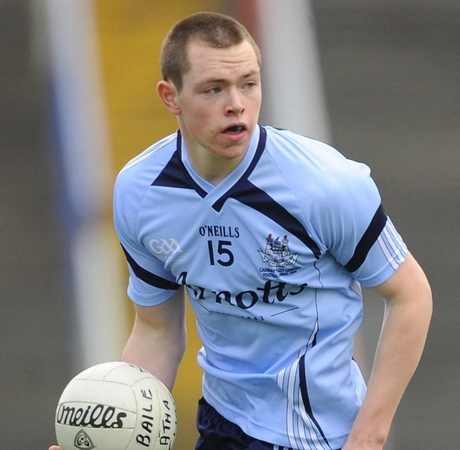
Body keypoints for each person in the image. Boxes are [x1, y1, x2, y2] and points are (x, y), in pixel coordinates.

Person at [51, 11, 431, 450]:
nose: (236, 103)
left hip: (320, 436)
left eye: (248, 83)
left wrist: (369, 436)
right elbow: (156, 330)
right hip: (222, 425)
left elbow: (411, 295)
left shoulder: (325, 184)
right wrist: (109, 440)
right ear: (169, 96)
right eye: (214, 89)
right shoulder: (140, 192)